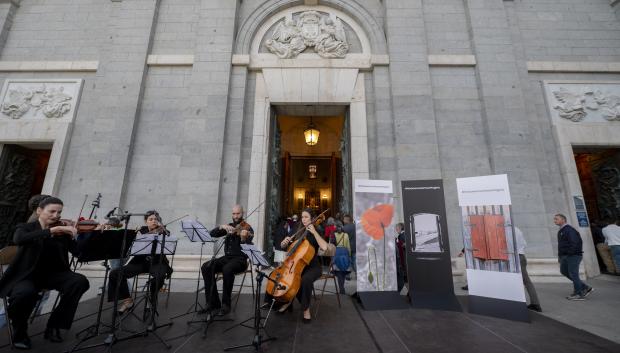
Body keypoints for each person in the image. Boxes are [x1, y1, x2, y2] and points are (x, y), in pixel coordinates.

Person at [0, 197, 90, 349]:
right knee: (24, 294)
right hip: (26, 276)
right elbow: (19, 239)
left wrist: (85, 236)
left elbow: (79, 253)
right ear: (39, 211)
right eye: (52, 211)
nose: (56, 216)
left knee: (79, 281)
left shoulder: (63, 231)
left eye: (59, 212)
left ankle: (54, 325)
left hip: (53, 274)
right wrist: (51, 230)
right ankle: (20, 331)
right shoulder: (26, 228)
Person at [107, 210, 173, 313]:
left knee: (160, 276)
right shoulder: (141, 230)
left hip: (157, 262)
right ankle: (127, 300)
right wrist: (137, 236)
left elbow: (168, 235)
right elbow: (130, 245)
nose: (154, 221)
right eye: (151, 219)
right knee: (115, 273)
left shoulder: (163, 230)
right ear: (146, 221)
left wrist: (162, 230)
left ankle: (152, 297)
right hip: (140, 262)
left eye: (156, 219)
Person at [277, 208, 329, 323]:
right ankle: (286, 300)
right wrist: (284, 243)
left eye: (306, 217)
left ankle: (305, 309)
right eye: (302, 217)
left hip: (313, 266)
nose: (304, 219)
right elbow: (286, 246)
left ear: (312, 218)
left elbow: (325, 247)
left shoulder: (317, 229)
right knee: (282, 277)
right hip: (296, 265)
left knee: (305, 280)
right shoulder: (297, 228)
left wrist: (314, 232)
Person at [201, 205, 253, 316]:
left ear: (242, 213)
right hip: (227, 258)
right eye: (234, 213)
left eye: (238, 213)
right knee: (206, 266)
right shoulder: (228, 227)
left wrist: (243, 238)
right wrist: (221, 227)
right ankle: (212, 302)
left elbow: (249, 245)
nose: (235, 216)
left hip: (240, 260)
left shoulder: (247, 228)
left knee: (227, 269)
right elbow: (212, 234)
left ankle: (226, 304)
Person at [554, 214, 593, 300]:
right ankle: (585, 287)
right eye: (554, 219)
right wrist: (560, 257)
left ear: (563, 220)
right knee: (564, 271)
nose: (554, 220)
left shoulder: (569, 230)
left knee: (573, 274)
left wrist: (569, 254)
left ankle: (578, 294)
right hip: (565, 256)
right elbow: (562, 245)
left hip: (573, 256)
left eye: (556, 219)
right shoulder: (562, 230)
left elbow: (575, 243)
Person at [514, 227, 542, 312]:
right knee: (526, 281)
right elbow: (524, 243)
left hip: (515, 256)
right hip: (521, 255)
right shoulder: (517, 229)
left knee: (524, 280)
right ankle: (535, 303)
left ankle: (535, 304)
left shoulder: (508, 229)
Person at [332, 221, 351, 294]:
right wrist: (349, 255)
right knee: (343, 272)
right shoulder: (346, 235)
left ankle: (341, 289)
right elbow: (348, 246)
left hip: (336, 254)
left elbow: (331, 246)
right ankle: (342, 288)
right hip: (345, 254)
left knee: (339, 273)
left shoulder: (333, 235)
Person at [342, 214, 356, 278]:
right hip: (355, 247)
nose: (343, 220)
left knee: (347, 261)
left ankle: (347, 275)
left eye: (344, 219)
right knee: (354, 261)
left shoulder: (344, 228)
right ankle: (357, 274)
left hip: (347, 247)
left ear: (347, 220)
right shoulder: (356, 226)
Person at [394, 223, 407, 293]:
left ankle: (404, 292)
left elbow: (403, 246)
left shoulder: (401, 236)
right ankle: (404, 292)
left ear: (400, 228)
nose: (396, 230)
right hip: (403, 259)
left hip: (402, 259)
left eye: (397, 228)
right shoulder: (403, 235)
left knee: (401, 275)